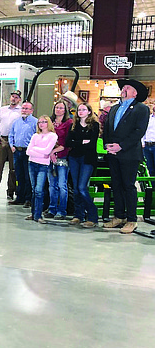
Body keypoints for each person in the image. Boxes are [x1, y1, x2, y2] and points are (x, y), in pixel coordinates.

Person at [102, 78, 150, 234]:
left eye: (127, 88)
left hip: (129, 153)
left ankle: (131, 219)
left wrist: (121, 146)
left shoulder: (141, 108)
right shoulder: (115, 108)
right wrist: (108, 145)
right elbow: (107, 129)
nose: (123, 90)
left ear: (135, 93)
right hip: (113, 154)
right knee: (116, 185)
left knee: (128, 186)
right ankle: (119, 216)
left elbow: (138, 131)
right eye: (123, 88)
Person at [66, 103, 100, 228]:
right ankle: (78, 215)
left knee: (82, 187)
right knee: (75, 188)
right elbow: (68, 142)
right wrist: (82, 142)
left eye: (83, 110)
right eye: (79, 110)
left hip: (87, 159)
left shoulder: (94, 125)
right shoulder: (73, 125)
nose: (80, 112)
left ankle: (92, 216)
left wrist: (77, 143)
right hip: (74, 158)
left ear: (89, 112)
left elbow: (92, 144)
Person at [0, 90, 23, 200]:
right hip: (2, 140)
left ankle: (10, 192)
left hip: (14, 142)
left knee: (13, 168)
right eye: (12, 96)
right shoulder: (2, 110)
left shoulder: (21, 111)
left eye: (16, 97)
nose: (14, 99)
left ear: (19, 100)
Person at [25, 115, 58, 223]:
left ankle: (38, 215)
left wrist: (35, 149)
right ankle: (34, 213)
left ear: (48, 123)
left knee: (39, 190)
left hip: (43, 165)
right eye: (39, 122)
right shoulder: (35, 135)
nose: (41, 124)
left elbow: (47, 151)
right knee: (34, 190)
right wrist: (40, 151)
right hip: (32, 163)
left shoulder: (53, 136)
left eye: (44, 122)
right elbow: (28, 151)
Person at [45, 100, 73, 220]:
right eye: (57, 107)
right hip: (49, 157)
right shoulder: (49, 122)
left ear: (65, 110)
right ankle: (52, 209)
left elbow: (67, 142)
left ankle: (62, 210)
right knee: (52, 185)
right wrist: (49, 152)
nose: (59, 110)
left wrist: (54, 151)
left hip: (62, 155)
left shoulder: (69, 123)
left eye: (61, 108)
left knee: (62, 185)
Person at [8, 101, 37, 207]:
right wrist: (12, 145)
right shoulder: (16, 122)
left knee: (28, 176)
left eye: (26, 108)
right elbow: (11, 134)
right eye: (23, 108)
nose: (24, 110)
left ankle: (28, 199)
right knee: (19, 175)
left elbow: (37, 137)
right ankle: (19, 197)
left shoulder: (35, 122)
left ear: (31, 111)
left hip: (28, 152)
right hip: (17, 151)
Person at [142, 104, 155, 176]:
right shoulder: (148, 119)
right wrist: (142, 143)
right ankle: (152, 186)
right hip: (147, 146)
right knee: (150, 168)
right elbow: (143, 131)